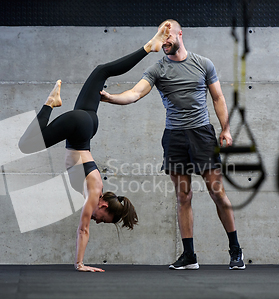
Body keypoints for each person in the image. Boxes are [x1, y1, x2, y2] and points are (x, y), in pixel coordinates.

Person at [18, 25, 170, 272]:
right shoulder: (94, 192)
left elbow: (88, 223)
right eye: (104, 219)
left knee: (102, 70)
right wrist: (80, 263)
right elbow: (83, 228)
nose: (98, 221)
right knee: (27, 145)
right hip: (79, 127)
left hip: (88, 124)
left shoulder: (95, 189)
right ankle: (50, 102)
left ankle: (149, 46)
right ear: (104, 206)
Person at [100, 19, 245, 270]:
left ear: (180, 34)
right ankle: (189, 256)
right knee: (183, 196)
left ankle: (236, 251)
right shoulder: (157, 70)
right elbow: (134, 94)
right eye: (161, 40)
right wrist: (110, 98)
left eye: (168, 39)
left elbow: (218, 97)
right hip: (175, 137)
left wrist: (226, 129)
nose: (164, 43)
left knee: (217, 192)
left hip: (202, 135)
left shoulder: (203, 64)